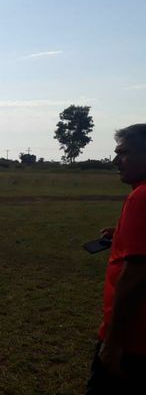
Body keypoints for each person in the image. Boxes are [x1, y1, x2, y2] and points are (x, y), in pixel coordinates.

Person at [87, 123, 146, 394]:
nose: (115, 161)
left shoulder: (141, 197)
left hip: (133, 342)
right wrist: (122, 234)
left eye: (123, 153)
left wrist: (112, 343)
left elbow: (134, 278)